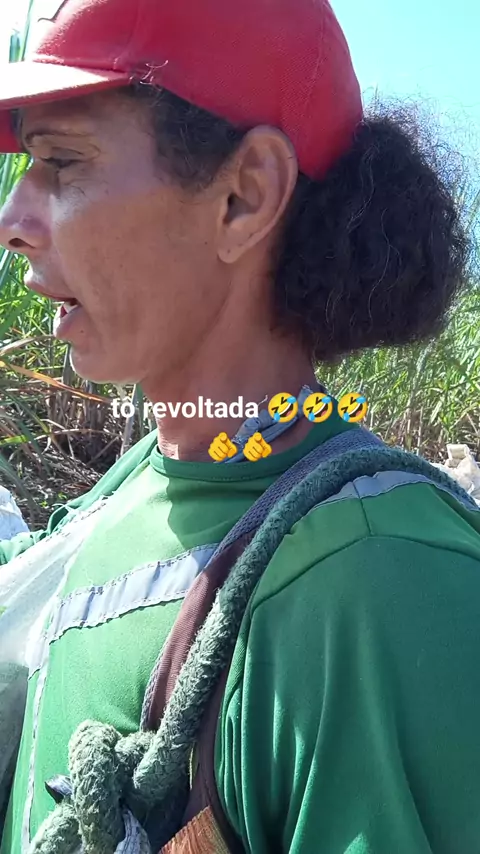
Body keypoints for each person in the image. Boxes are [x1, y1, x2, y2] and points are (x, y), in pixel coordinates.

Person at [0, 0, 479, 851]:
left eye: (62, 162)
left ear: (243, 197)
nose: (12, 222)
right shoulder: (118, 500)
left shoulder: (376, 584)